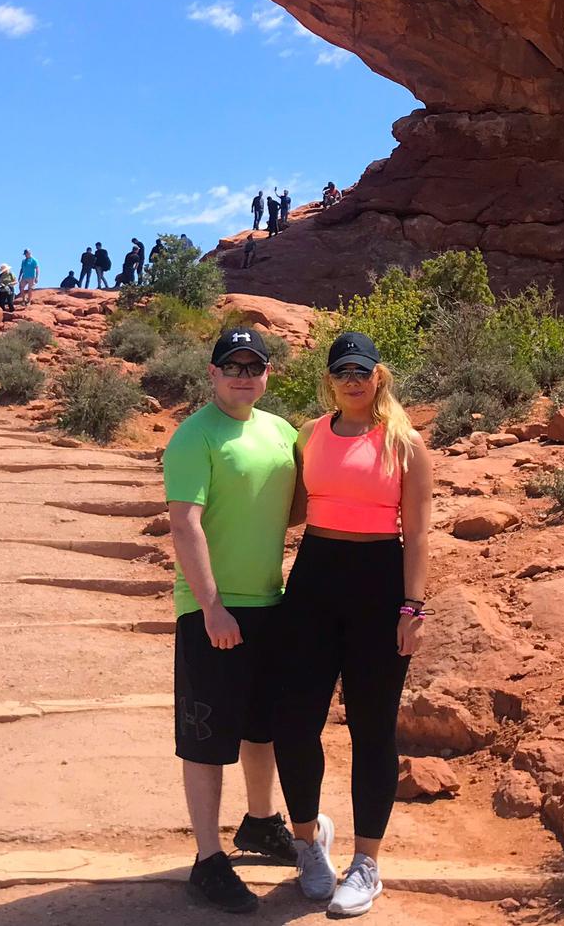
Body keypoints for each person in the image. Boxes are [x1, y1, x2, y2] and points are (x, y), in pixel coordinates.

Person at [272, 331, 433, 916]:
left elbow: (417, 533)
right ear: (330, 379)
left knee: (372, 728)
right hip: (314, 580)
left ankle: (367, 863)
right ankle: (308, 843)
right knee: (294, 722)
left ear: (378, 375)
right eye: (343, 371)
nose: (353, 380)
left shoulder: (405, 443)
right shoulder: (308, 435)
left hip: (377, 583)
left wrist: (413, 608)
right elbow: (281, 507)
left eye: (362, 371)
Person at [162, 327, 299, 913]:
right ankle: (207, 859)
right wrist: (212, 604)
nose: (243, 374)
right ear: (212, 373)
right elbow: (185, 525)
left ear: (267, 373)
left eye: (254, 365)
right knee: (207, 736)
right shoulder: (194, 437)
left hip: (270, 602)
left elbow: (296, 506)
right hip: (212, 608)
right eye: (231, 365)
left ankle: (261, 822)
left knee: (261, 727)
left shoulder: (283, 432)